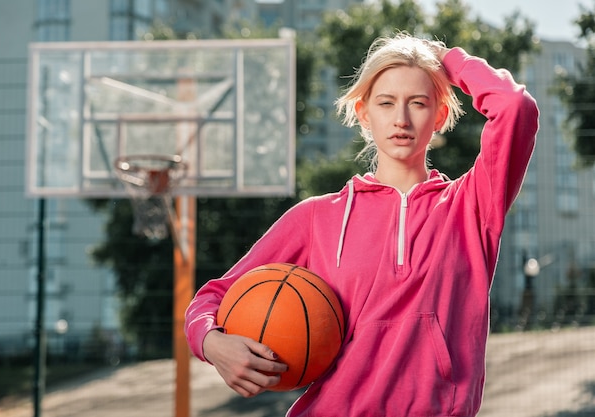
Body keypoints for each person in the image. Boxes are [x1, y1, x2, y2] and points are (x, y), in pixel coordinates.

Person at [185, 33, 539, 416]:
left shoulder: (471, 207)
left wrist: (443, 59)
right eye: (386, 103)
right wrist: (211, 343)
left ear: (438, 115)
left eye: (418, 103)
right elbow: (211, 299)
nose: (401, 119)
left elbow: (515, 107)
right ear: (364, 113)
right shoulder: (317, 217)